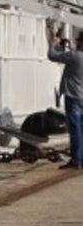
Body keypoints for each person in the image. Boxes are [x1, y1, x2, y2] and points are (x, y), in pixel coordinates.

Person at [49, 32, 83, 170]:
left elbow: (52, 56)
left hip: (73, 96)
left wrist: (55, 44)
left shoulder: (75, 56)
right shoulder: (74, 55)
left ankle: (76, 161)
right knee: (82, 129)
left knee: (75, 130)